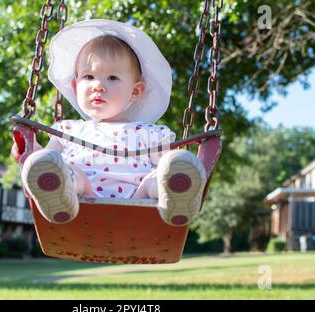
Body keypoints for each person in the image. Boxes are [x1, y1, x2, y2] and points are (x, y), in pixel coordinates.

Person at [13, 19, 206, 226]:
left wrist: (176, 169)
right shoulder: (68, 129)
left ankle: (177, 198)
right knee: (61, 170)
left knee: (161, 175)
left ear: (135, 91)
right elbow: (48, 158)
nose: (98, 86)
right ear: (75, 86)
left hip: (139, 202)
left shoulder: (150, 133)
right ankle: (56, 195)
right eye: (88, 76)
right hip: (82, 200)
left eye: (112, 78)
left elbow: (167, 166)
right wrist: (29, 150)